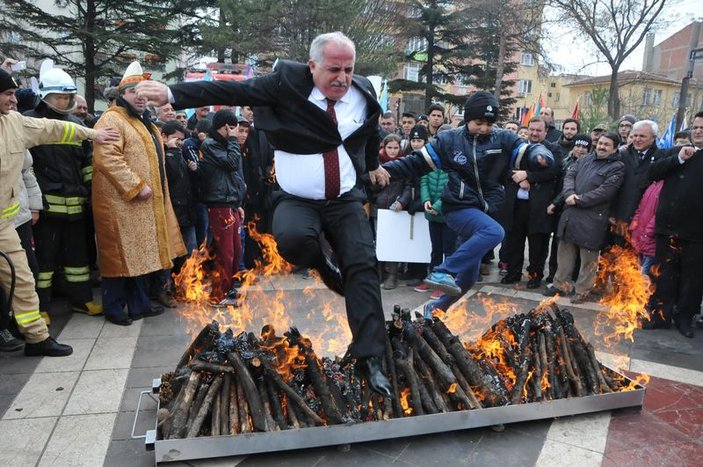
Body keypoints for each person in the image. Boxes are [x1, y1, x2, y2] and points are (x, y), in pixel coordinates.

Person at [136, 31, 393, 397]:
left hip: (345, 199)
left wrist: (370, 167)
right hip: (296, 198)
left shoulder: (362, 91)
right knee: (293, 241)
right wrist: (174, 93)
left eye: (348, 69)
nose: (342, 78)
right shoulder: (285, 85)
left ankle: (371, 358)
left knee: (364, 267)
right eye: (333, 69)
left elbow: (366, 134)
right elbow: (229, 91)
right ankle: (321, 263)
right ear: (312, 66)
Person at [379, 91, 553, 317]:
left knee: (469, 278)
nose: (484, 128)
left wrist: (541, 155)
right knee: (495, 232)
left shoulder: (503, 139)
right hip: (458, 207)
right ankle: (442, 271)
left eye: (489, 123)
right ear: (468, 119)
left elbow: (529, 149)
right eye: (478, 123)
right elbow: (415, 163)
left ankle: (434, 310)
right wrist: (385, 170)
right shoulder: (449, 140)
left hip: (486, 210)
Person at [0, 68, 119, 356]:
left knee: (23, 278)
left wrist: (92, 133)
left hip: (5, 225)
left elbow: (55, 129)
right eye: (7, 94)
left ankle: (37, 338)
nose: (13, 100)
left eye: (14, 94)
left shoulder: (15, 123)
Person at [92, 61, 185, 326]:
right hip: (121, 203)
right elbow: (106, 158)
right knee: (119, 257)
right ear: (122, 94)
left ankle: (139, 304)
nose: (141, 98)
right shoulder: (111, 119)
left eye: (144, 93)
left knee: (141, 257)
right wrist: (134, 186)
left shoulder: (145, 122)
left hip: (143, 205)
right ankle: (114, 308)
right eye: (135, 93)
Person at [24, 66, 104, 318]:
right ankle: (41, 308)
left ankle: (81, 300)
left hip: (76, 205)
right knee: (44, 262)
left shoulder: (77, 124)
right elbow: (25, 167)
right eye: (59, 97)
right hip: (46, 207)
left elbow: (87, 163)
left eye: (67, 97)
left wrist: (92, 193)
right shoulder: (29, 121)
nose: (64, 102)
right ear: (45, 96)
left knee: (78, 259)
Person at [643, 111, 703, 337]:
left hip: (697, 233)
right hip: (668, 229)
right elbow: (652, 172)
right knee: (663, 275)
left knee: (692, 279)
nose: (697, 131)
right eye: (695, 127)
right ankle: (660, 316)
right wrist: (679, 159)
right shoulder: (676, 153)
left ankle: (685, 318)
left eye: (702, 128)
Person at [546, 132, 624, 303]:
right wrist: (569, 194)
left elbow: (605, 192)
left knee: (588, 260)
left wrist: (579, 199)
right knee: (564, 252)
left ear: (615, 148)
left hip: (593, 218)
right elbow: (570, 176)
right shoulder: (585, 159)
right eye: (600, 143)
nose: (602, 147)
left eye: (607, 144)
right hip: (571, 214)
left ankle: (582, 290)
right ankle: (561, 285)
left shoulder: (617, 167)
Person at [199, 109, 247, 305]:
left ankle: (227, 288)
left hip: (230, 204)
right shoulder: (210, 144)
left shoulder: (224, 144)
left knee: (235, 251)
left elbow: (233, 176)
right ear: (226, 127)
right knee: (225, 252)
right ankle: (218, 294)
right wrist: (234, 141)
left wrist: (238, 203)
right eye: (234, 128)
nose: (237, 132)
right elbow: (232, 163)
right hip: (219, 205)